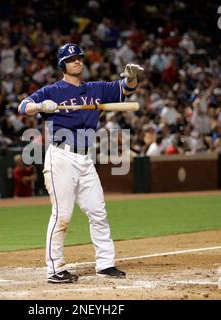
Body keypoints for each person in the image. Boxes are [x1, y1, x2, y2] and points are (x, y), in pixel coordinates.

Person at [17, 43, 143, 283]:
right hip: (61, 157)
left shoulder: (95, 88)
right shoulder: (52, 90)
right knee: (62, 215)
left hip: (85, 158)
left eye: (79, 58)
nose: (78, 61)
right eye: (72, 58)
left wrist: (132, 76)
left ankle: (105, 264)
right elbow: (23, 107)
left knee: (98, 211)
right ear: (62, 64)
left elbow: (126, 89)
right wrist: (41, 106)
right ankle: (54, 269)